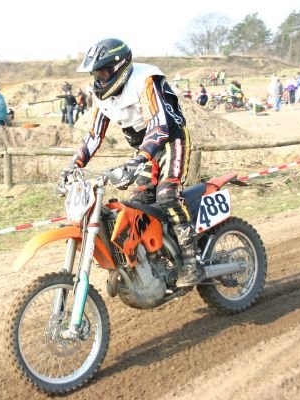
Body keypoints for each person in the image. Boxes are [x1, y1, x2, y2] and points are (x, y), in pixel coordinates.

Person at [62, 38, 201, 287]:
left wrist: (138, 160)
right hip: (145, 152)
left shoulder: (145, 80)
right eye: (96, 74)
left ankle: (192, 259)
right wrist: (75, 165)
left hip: (171, 141)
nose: (99, 79)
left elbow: (159, 125)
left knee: (167, 195)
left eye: (104, 73)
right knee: (138, 204)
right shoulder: (103, 98)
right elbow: (94, 135)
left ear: (119, 68)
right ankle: (155, 261)